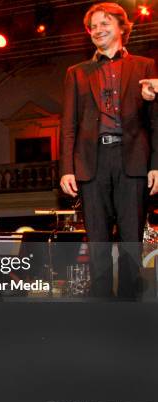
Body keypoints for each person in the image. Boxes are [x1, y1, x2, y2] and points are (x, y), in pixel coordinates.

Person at [59, 3, 158, 298]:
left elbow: (155, 121)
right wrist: (66, 167)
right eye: (93, 26)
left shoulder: (144, 66)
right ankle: (101, 305)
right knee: (98, 239)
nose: (98, 30)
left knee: (131, 239)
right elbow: (68, 124)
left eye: (105, 23)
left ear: (121, 28)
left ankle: (130, 303)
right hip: (92, 162)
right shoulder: (76, 73)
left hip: (133, 161)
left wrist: (156, 164)